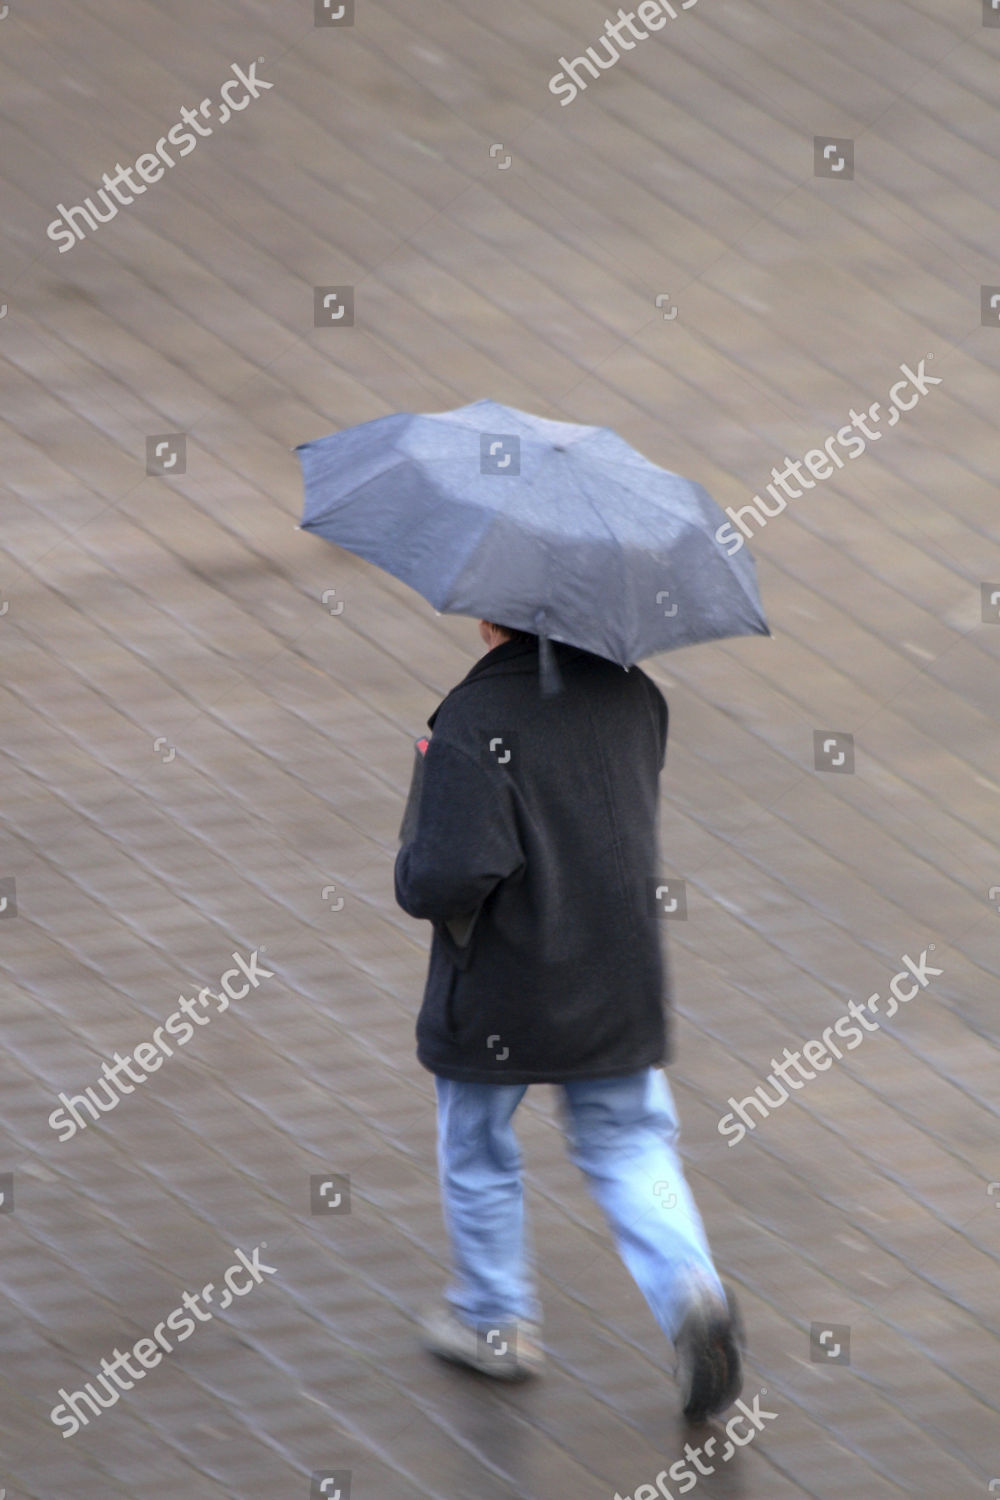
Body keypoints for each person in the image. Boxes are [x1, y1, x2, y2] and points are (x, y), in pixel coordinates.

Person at [393, 619, 745, 1421]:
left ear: (489, 621)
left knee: (478, 1146)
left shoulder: (473, 720)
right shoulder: (636, 697)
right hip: (616, 973)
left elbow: (446, 877)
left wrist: (413, 851)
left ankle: (492, 1321)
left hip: (499, 989)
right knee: (627, 1142)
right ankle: (692, 1291)